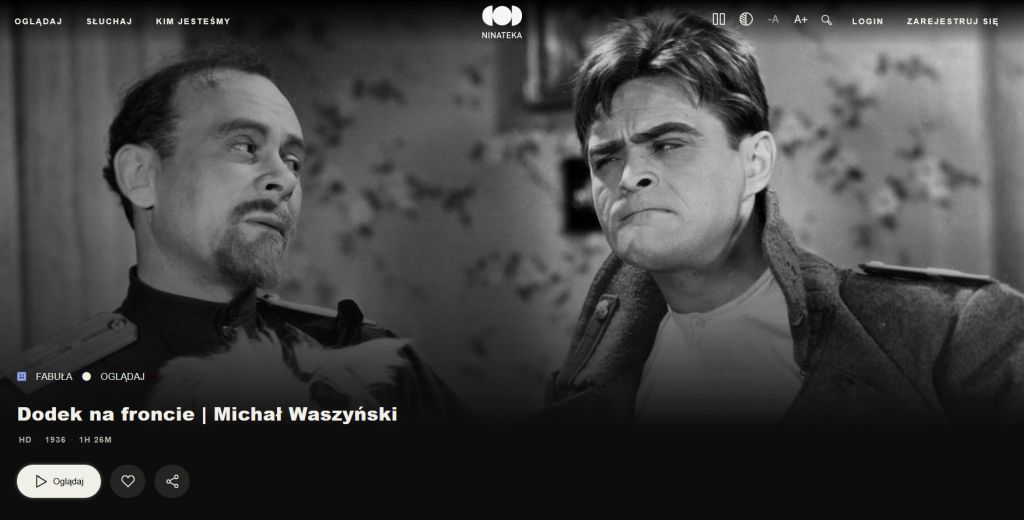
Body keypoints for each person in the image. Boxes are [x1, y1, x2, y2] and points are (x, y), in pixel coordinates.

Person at [537, 11, 1024, 424]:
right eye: (606, 158)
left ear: (755, 163)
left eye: (668, 145)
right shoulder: (586, 377)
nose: (628, 177)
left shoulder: (949, 334)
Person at [1, 47, 468, 423]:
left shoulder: (381, 366)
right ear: (141, 176)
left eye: (293, 162)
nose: (284, 180)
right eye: (245, 146)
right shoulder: (45, 399)